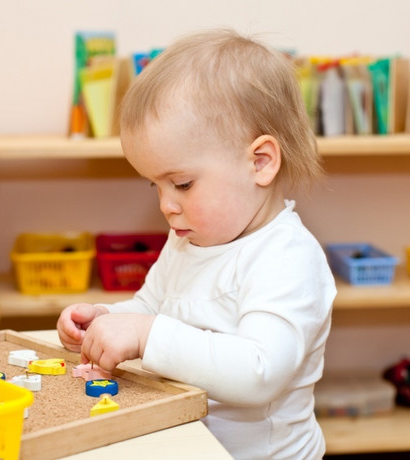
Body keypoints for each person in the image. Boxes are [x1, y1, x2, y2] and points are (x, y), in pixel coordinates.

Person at [57, 29, 336, 460]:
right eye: (156, 185)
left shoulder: (287, 258)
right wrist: (106, 319)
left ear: (260, 162)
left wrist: (146, 335)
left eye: (183, 183)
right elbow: (152, 307)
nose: (167, 205)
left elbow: (258, 371)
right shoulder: (189, 238)